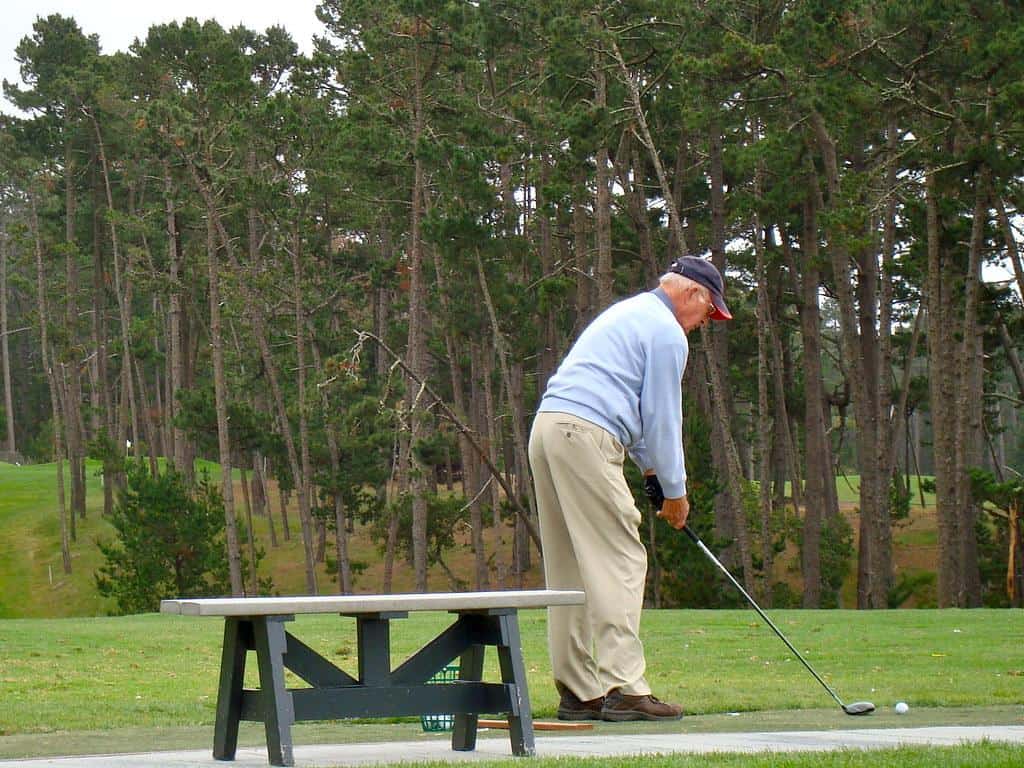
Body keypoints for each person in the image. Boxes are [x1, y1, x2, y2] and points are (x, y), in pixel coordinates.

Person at [528, 256, 732, 722]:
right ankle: (625, 687)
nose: (705, 322)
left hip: (549, 429)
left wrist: (651, 475)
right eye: (708, 312)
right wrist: (676, 493)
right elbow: (662, 418)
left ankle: (579, 692)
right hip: (585, 433)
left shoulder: (630, 312)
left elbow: (632, 413)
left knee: (571, 566)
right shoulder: (666, 332)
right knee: (621, 557)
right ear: (693, 294)